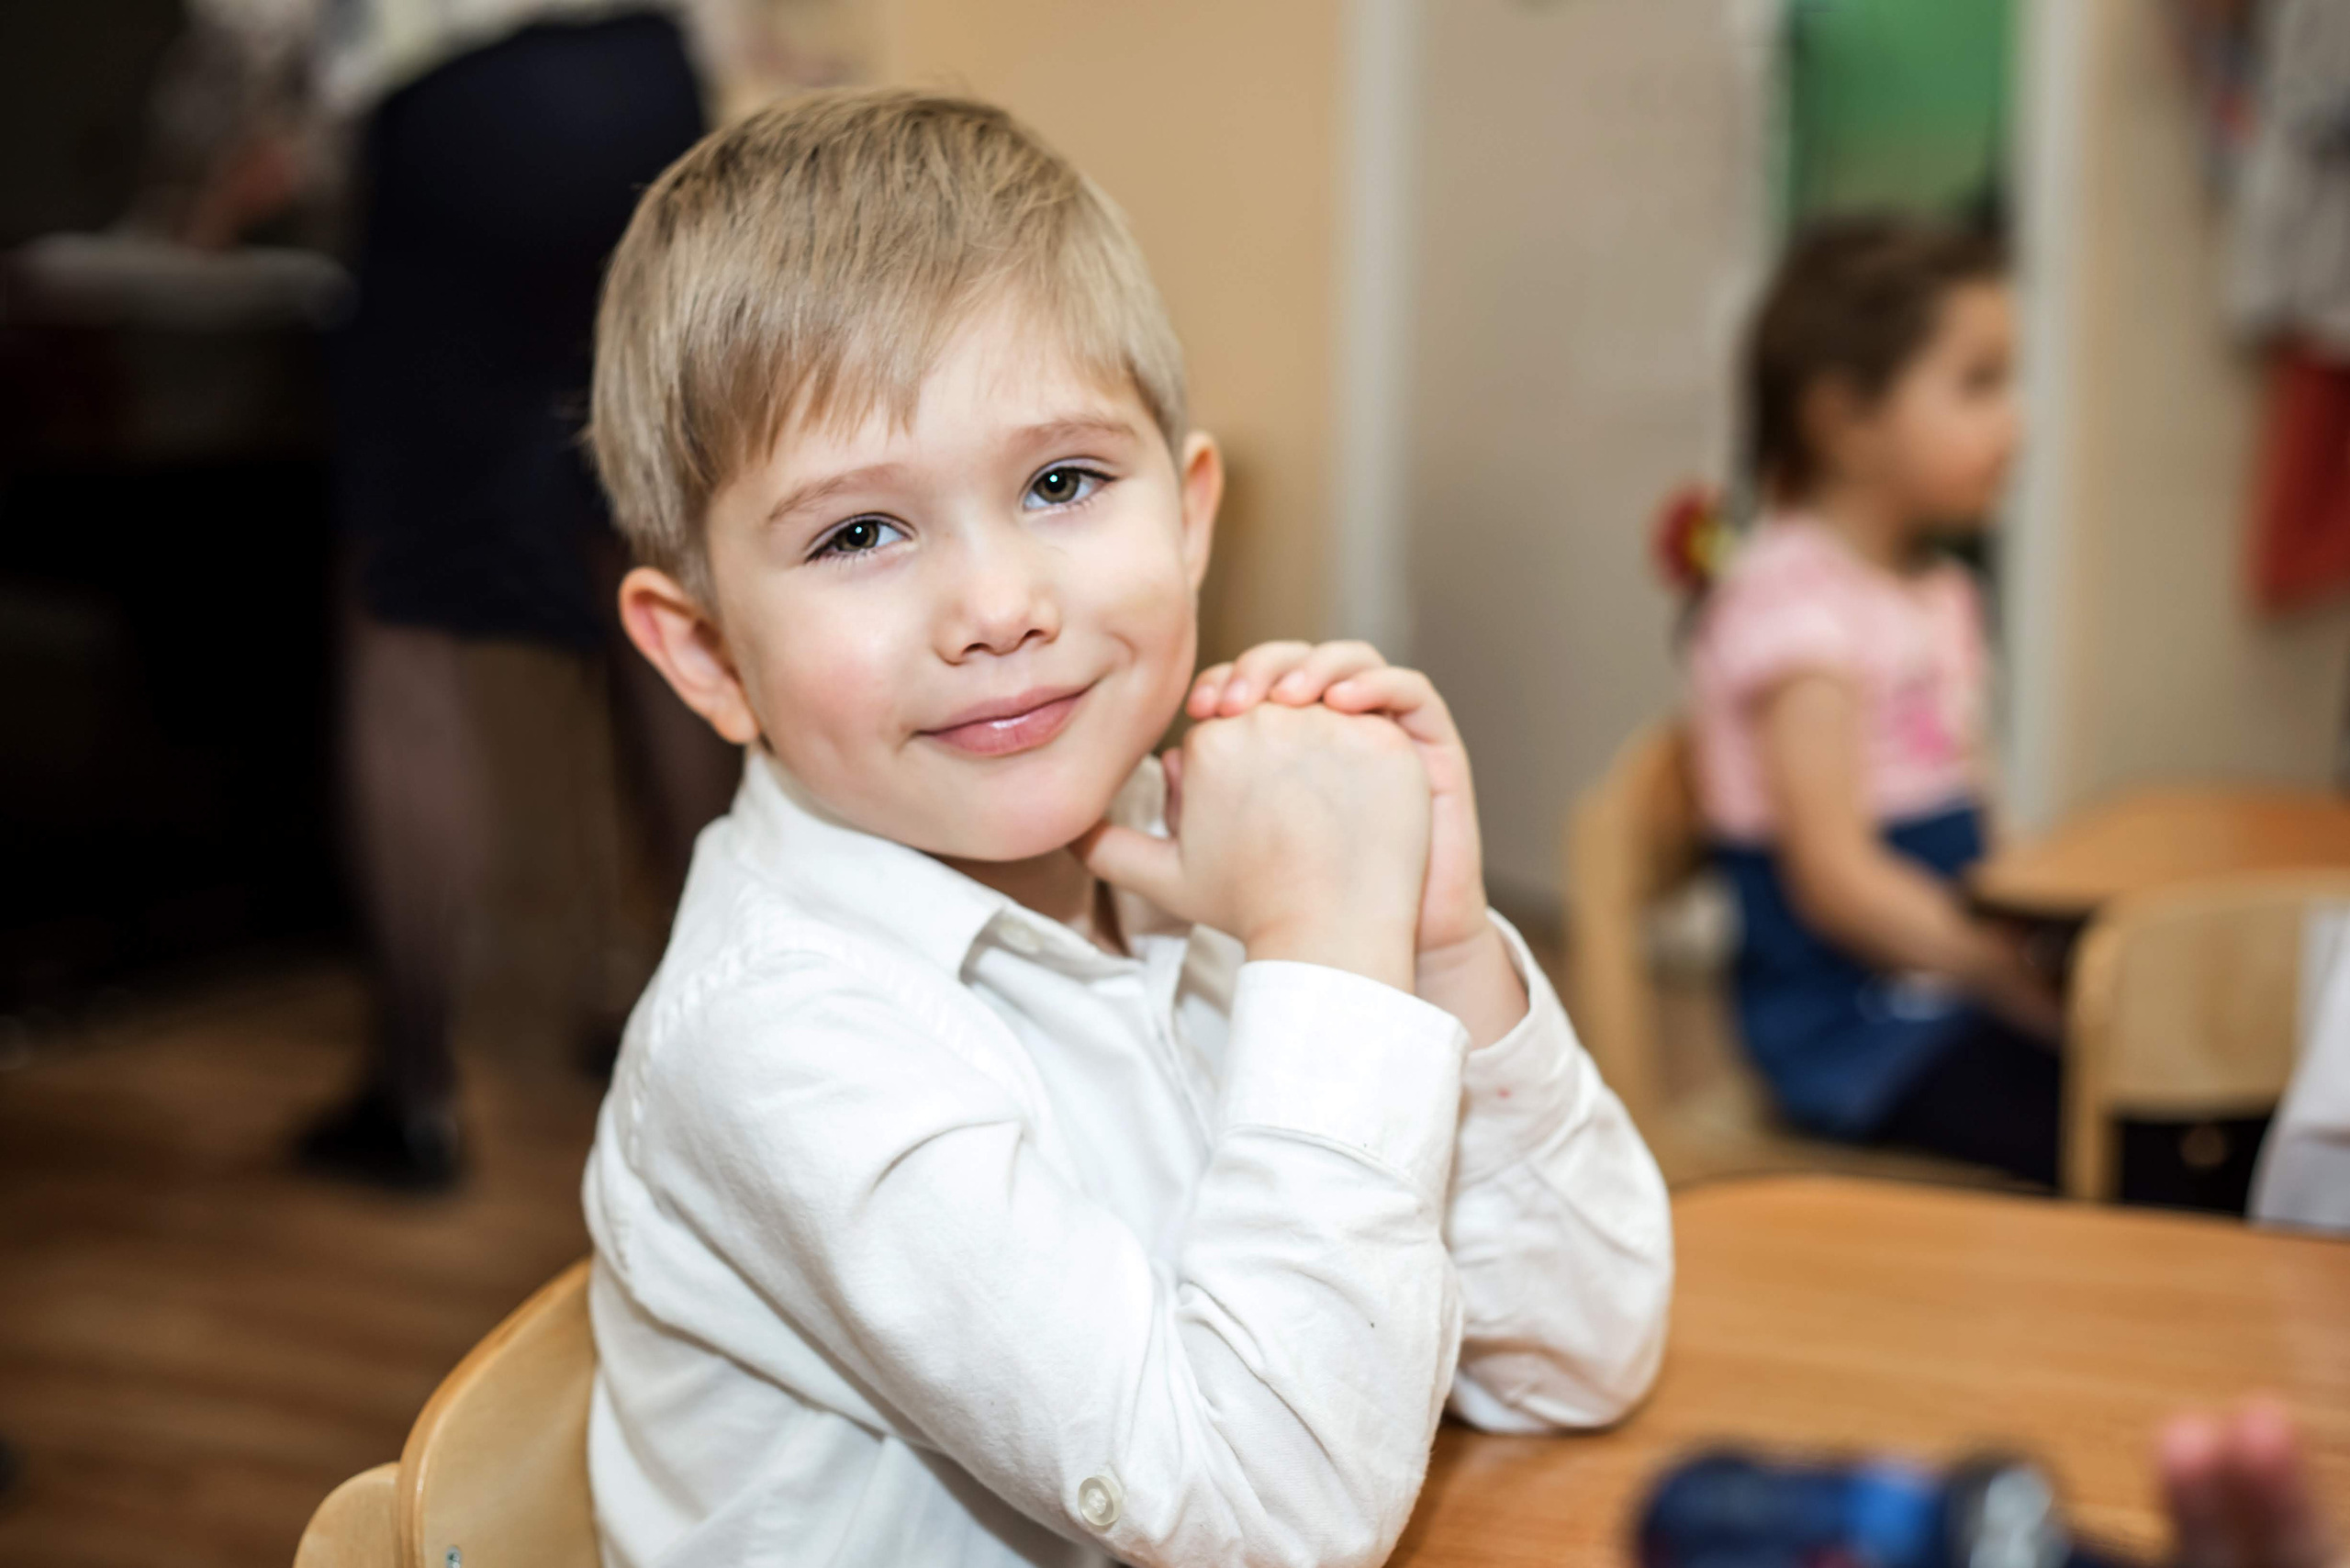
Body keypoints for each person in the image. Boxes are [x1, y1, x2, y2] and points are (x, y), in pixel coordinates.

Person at [577, 89, 1673, 1567]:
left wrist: (1438, 950)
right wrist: (1327, 952)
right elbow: (1264, 1519)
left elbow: (1584, 1352)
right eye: (859, 533)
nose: (998, 607)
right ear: (705, 653)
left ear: (1190, 516)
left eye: (1063, 482)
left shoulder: (1196, 847)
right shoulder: (779, 1043)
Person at [272, 0, 739, 1189]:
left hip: (459, 96)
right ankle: (735, 1043)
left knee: (407, 620)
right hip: (646, 85)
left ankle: (416, 1092)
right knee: (650, 574)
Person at [1682, 217, 2065, 1184]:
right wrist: (2005, 976)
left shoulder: (1935, 593)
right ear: (1845, 418)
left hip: (1947, 976)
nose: (2014, 421)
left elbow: (1979, 806)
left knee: (2155, 1078)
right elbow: (1836, 879)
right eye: (1978, 384)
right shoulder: (1793, 611)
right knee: (2103, 1128)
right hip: (1851, 1029)